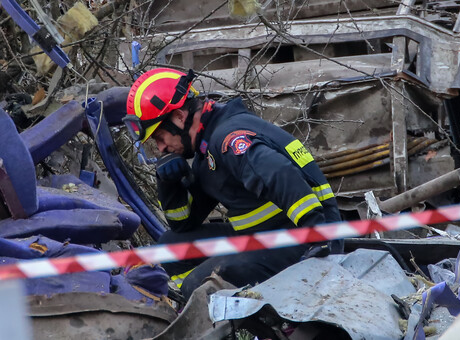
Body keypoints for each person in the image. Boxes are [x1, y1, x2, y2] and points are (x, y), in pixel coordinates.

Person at [123, 68, 343, 300]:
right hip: (265, 236)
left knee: (200, 285)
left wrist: (317, 240)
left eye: (159, 138)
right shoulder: (207, 149)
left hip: (308, 239)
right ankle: (190, 304)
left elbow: (280, 174)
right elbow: (183, 224)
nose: (160, 148)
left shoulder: (228, 139)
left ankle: (243, 323)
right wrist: (169, 183)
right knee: (170, 248)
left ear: (179, 117)